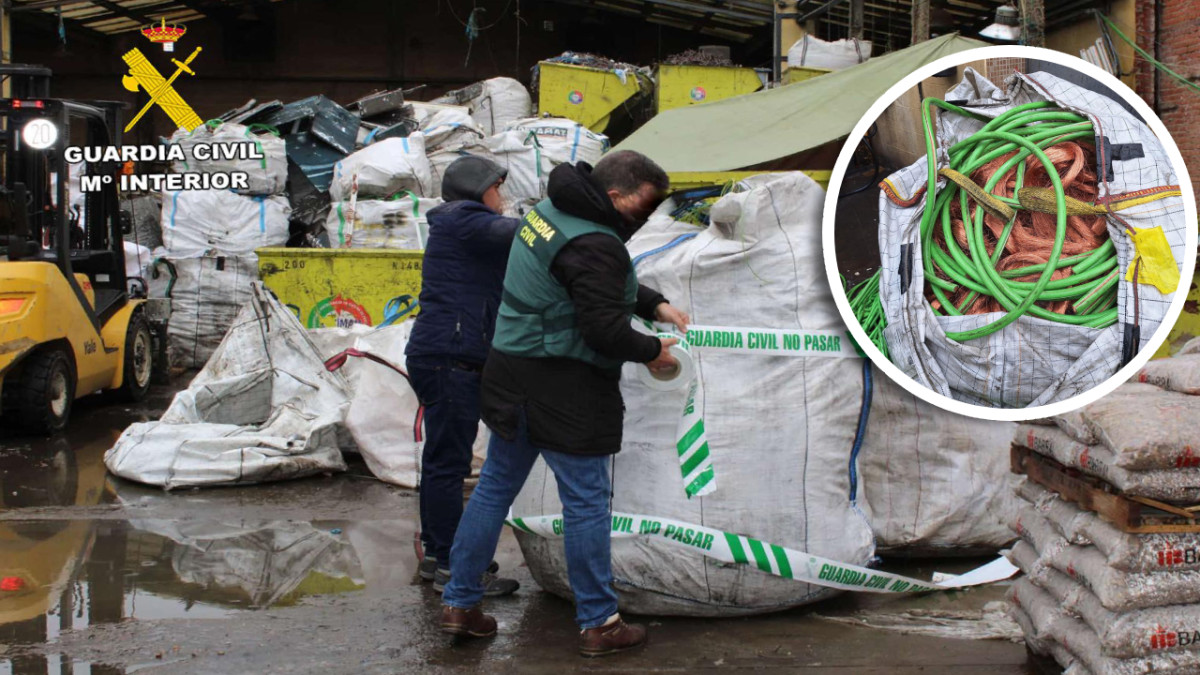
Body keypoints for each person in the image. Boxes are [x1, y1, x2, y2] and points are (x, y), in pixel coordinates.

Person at [438, 150, 689, 657]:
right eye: (642, 207)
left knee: (493, 490)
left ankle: (461, 604)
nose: (644, 218)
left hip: (511, 369)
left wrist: (651, 302)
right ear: (614, 196)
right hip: (565, 383)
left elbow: (581, 279)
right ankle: (600, 623)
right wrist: (651, 351)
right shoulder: (598, 242)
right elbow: (602, 327)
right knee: (586, 504)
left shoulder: (550, 212)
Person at [406, 155, 521, 597]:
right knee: (447, 463)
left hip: (448, 354)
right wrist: (555, 217)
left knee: (444, 461)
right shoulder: (464, 219)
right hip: (449, 356)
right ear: (479, 189)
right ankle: (454, 565)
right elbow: (515, 234)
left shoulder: (461, 225)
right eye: (498, 188)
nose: (503, 198)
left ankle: (442, 556)